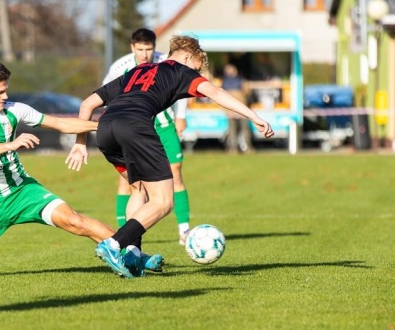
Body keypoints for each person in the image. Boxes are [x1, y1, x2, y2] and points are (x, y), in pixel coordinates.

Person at [66, 35, 274, 278]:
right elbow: (216, 93)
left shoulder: (138, 70)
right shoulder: (181, 71)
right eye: (197, 68)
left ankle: (133, 255)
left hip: (106, 128)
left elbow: (87, 104)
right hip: (136, 127)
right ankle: (114, 245)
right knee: (164, 201)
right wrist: (254, 116)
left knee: (138, 190)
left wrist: (80, 143)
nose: (196, 74)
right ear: (187, 57)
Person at [0, 60, 163, 279]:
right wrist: (10, 145)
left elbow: (62, 124)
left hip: (22, 192)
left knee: (74, 221)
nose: (5, 96)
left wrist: (105, 125)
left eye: (6, 90)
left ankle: (136, 256)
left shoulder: (14, 110)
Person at [103, 28, 191, 245]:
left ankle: (185, 231)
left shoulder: (165, 62)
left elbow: (184, 85)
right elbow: (105, 95)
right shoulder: (120, 67)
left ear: (154, 47)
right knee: (129, 182)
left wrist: (181, 116)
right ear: (132, 48)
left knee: (176, 174)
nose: (144, 54)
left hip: (163, 125)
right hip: (134, 128)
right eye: (140, 49)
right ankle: (126, 231)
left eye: (148, 49)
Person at [221, 64, 253, 153]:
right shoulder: (241, 80)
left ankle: (233, 148)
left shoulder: (224, 82)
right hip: (241, 109)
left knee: (232, 130)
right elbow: (247, 92)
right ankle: (247, 147)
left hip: (230, 109)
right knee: (245, 129)